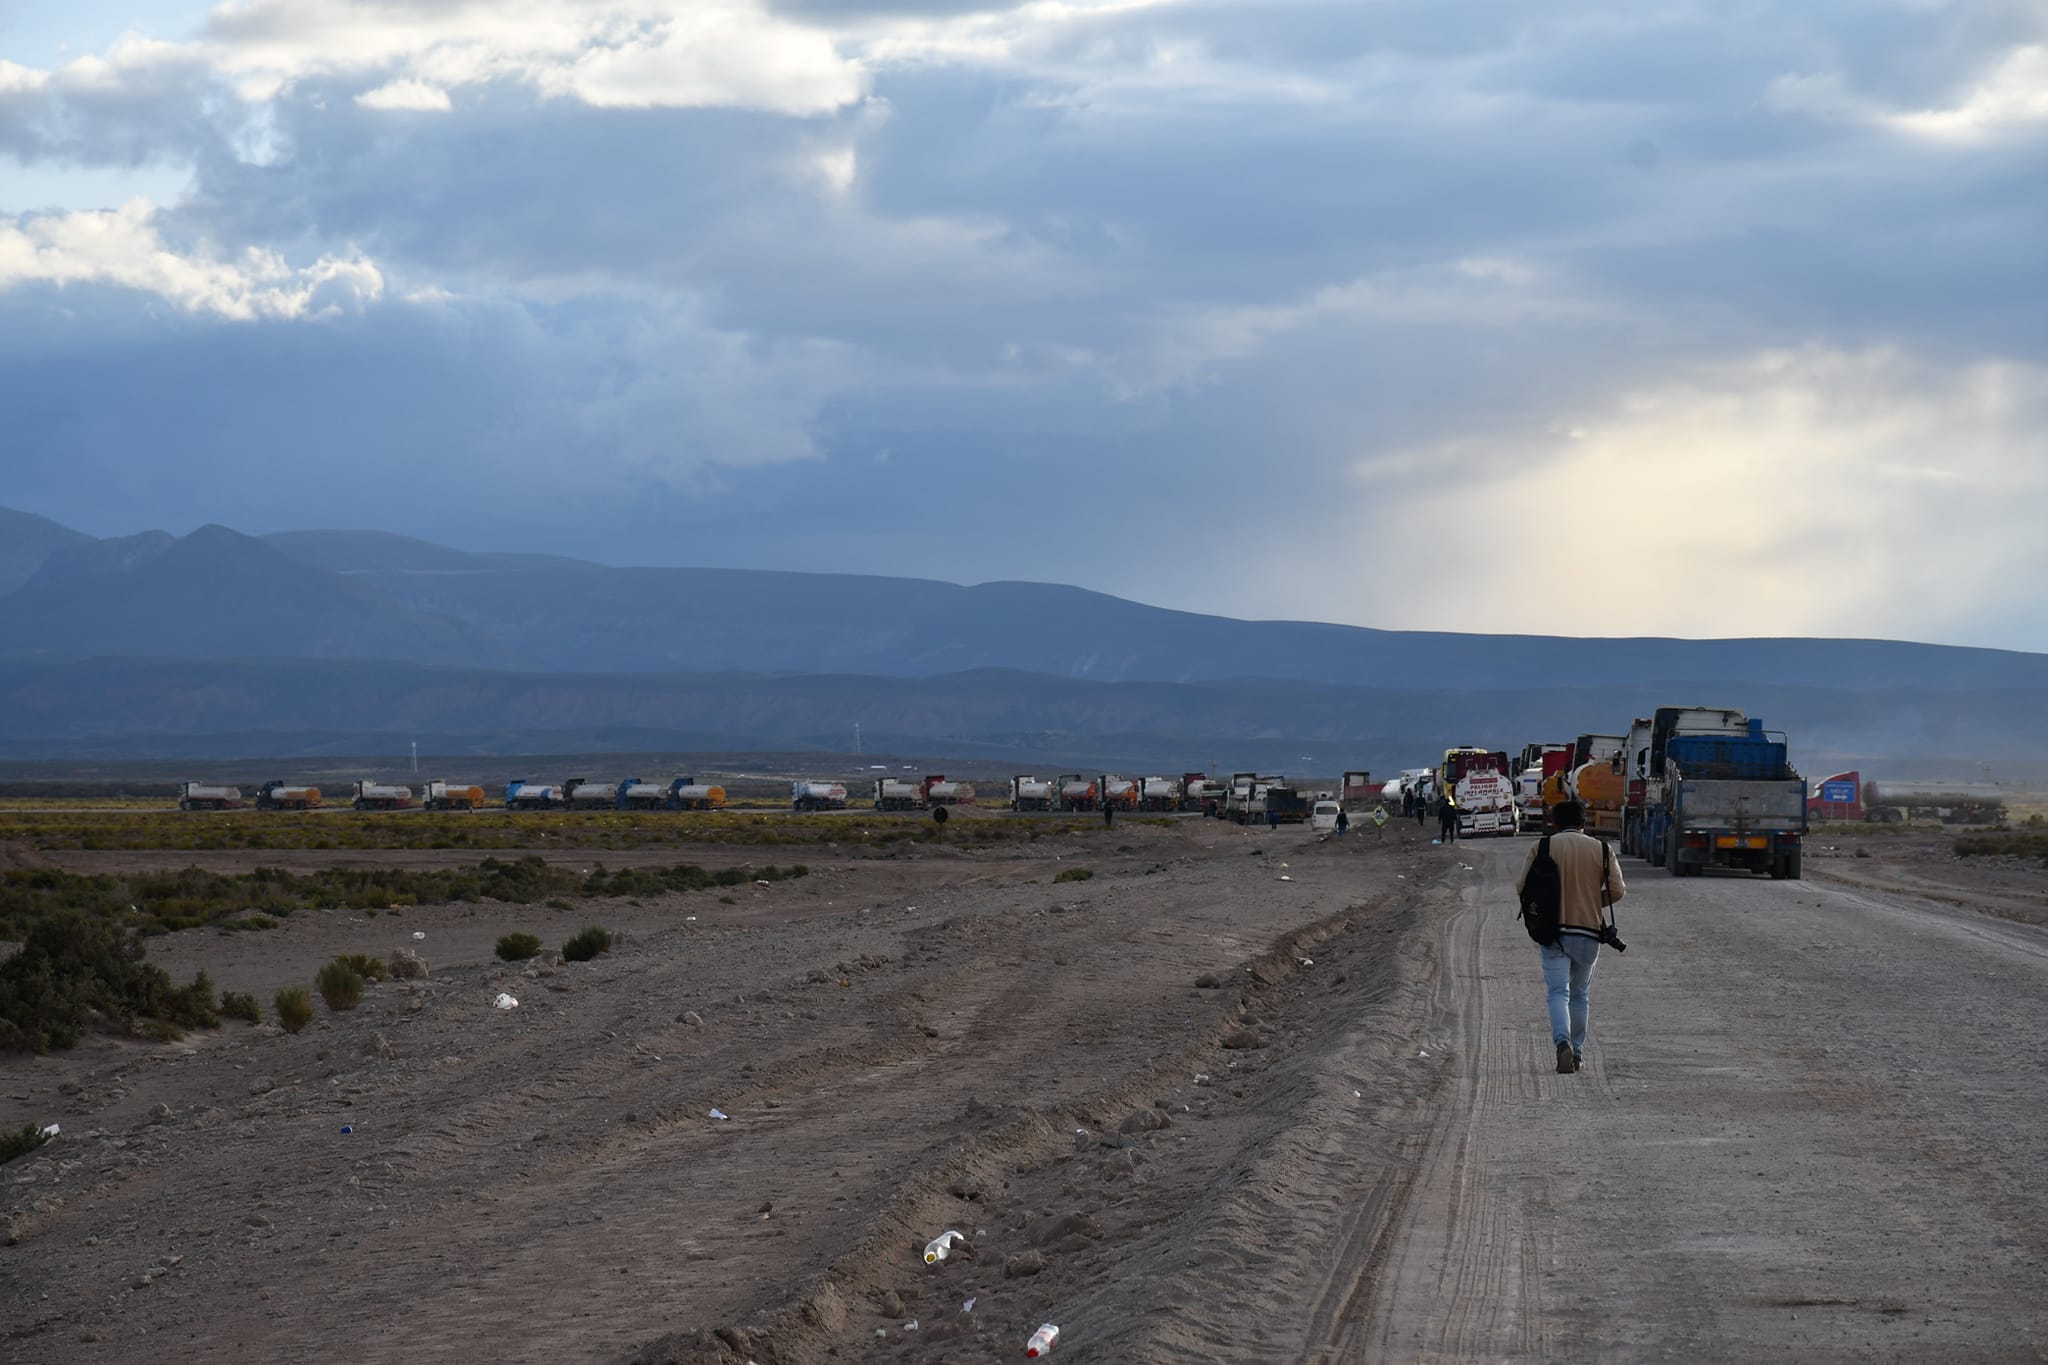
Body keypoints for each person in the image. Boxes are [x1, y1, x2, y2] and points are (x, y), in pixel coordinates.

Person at [1516, 799, 1627, 1074]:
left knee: (1557, 992)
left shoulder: (1542, 846)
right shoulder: (1602, 849)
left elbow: (1521, 887)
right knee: (1580, 994)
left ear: (1553, 823)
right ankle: (1576, 1053)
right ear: (1583, 823)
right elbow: (1618, 890)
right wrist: (1590, 900)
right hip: (1588, 931)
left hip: (1552, 931)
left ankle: (1562, 1042)